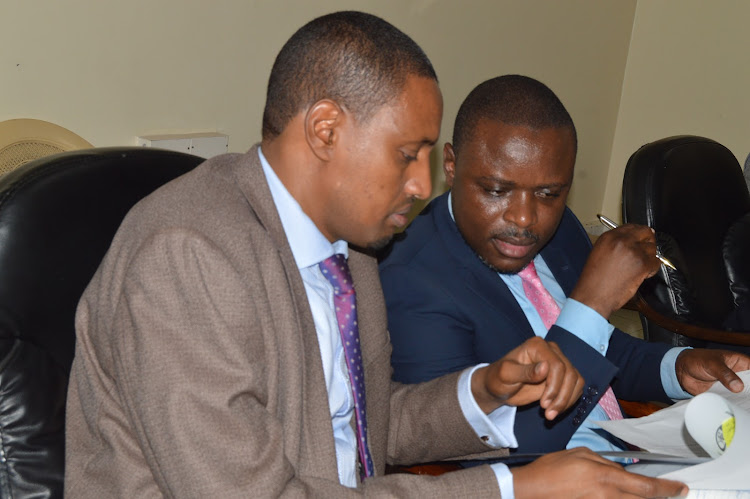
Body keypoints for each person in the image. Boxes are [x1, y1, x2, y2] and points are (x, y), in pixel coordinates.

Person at [65, 14, 689, 498]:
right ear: (326, 130)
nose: (423, 185)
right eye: (407, 154)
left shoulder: (350, 246)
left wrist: (487, 391)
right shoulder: (186, 257)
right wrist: (511, 487)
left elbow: (366, 421)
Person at [380, 74, 750, 460]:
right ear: (452, 166)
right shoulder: (413, 280)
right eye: (496, 190)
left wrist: (678, 369)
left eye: (548, 193)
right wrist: (592, 302)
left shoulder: (559, 228)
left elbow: (602, 348)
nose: (525, 218)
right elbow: (491, 454)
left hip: (629, 460)